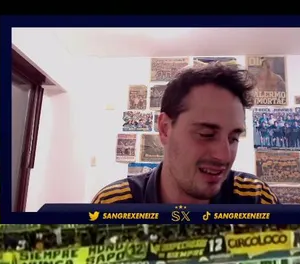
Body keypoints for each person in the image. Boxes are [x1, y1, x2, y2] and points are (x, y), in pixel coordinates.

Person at [91, 65, 277, 205]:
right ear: (165, 129)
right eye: (206, 134)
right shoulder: (113, 205)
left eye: (233, 138)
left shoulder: (256, 199)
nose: (224, 156)